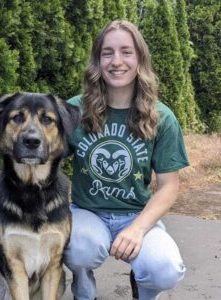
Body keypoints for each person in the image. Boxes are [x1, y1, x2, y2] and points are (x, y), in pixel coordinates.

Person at [64, 20, 189, 300]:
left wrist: (138, 229)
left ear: (139, 59)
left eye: (126, 52)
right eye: (107, 53)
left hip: (137, 215)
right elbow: (39, 164)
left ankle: (143, 290)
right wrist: (2, 207)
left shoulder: (161, 117)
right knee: (77, 248)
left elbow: (169, 185)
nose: (116, 61)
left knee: (165, 268)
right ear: (97, 60)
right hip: (87, 212)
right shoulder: (74, 110)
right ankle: (84, 293)